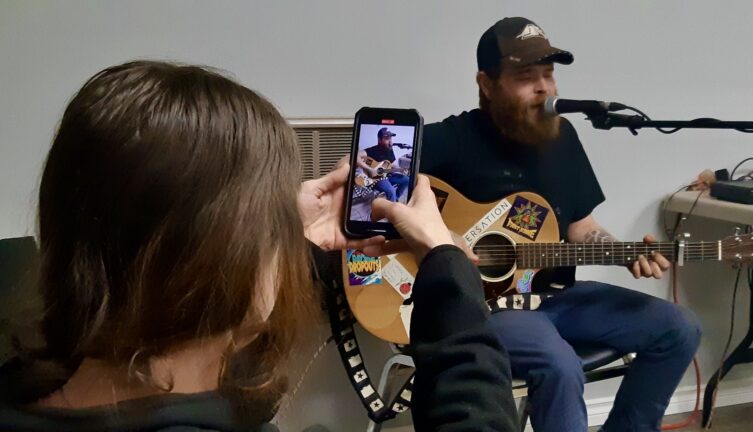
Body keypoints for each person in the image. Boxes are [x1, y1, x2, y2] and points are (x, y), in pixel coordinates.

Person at [0, 61, 518, 431]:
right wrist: (446, 266)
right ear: (225, 257)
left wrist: (286, 239)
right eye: (265, 224)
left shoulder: (30, 388)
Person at [420, 17, 702, 432]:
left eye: (549, 75)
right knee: (559, 365)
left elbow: (582, 227)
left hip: (558, 299)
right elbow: (364, 181)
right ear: (486, 83)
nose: (545, 88)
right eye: (526, 77)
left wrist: (621, 251)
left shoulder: (562, 137)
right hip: (489, 308)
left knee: (680, 327)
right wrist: (443, 240)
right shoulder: (452, 139)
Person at [362, 127, 410, 202]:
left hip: (387, 176)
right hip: (376, 179)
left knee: (407, 179)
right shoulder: (371, 150)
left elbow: (393, 165)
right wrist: (369, 169)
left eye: (391, 138)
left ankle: (395, 199)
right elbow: (356, 157)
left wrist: (401, 170)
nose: (390, 142)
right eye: (387, 139)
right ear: (379, 140)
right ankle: (391, 209)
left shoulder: (389, 150)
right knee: (391, 191)